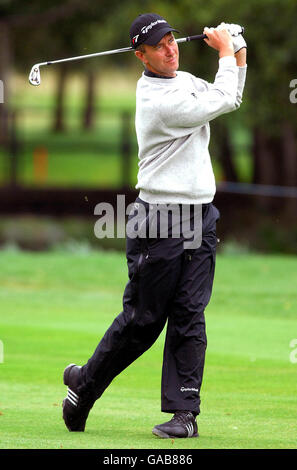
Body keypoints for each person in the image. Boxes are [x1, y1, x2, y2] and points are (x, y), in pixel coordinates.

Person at [62, 13, 247, 439]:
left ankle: (185, 413)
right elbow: (221, 97)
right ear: (141, 56)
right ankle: (84, 386)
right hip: (160, 219)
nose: (170, 48)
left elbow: (230, 94)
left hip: (201, 215)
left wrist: (238, 50)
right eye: (159, 45)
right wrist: (225, 51)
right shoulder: (157, 102)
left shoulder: (185, 81)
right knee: (144, 321)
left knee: (190, 314)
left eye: (171, 40)